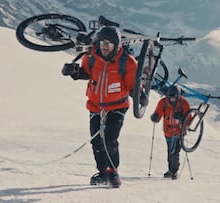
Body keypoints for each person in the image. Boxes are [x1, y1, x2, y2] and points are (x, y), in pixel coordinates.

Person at [61, 26, 138, 188]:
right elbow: (86, 73)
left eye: (109, 44)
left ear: (117, 45)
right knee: (96, 141)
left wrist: (141, 97)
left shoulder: (127, 62)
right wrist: (73, 72)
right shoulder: (91, 57)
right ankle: (103, 173)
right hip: (95, 105)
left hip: (118, 106)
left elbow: (133, 88)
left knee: (109, 139)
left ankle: (113, 172)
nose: (105, 47)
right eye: (103, 43)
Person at [150, 85, 190, 180]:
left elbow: (189, 118)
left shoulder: (184, 103)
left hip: (179, 131)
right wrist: (155, 117)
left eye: (174, 97)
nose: (172, 99)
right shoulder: (163, 103)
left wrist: (182, 117)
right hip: (167, 132)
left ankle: (174, 171)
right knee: (170, 151)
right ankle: (171, 170)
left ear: (178, 96)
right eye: (170, 97)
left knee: (174, 152)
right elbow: (158, 114)